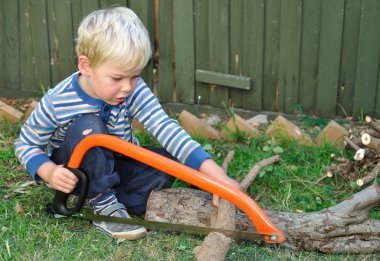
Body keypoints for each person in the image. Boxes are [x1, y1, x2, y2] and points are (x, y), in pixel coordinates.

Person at [14, 7, 240, 241]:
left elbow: (164, 127)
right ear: (86, 66)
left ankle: (112, 197)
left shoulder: (133, 91)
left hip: (117, 162)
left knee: (168, 163)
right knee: (89, 127)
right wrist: (49, 171)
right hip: (76, 172)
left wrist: (215, 176)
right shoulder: (57, 100)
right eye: (117, 78)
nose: (128, 87)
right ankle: (103, 203)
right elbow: (26, 145)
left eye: (135, 76)